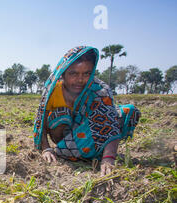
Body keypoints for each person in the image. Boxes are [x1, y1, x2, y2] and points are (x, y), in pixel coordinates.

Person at [33, 46, 141, 176]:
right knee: (61, 114)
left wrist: (108, 158)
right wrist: (46, 149)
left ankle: (98, 151)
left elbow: (109, 124)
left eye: (86, 73)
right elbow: (42, 121)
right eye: (73, 73)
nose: (80, 80)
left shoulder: (99, 90)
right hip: (65, 140)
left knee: (129, 111)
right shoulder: (53, 91)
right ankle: (67, 150)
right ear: (63, 73)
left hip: (93, 134)